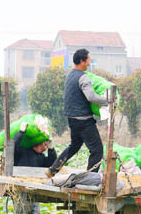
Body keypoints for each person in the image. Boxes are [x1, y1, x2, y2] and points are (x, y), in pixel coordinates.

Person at [45, 48, 108, 178]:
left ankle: (53, 169)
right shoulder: (83, 77)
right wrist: (108, 100)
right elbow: (91, 96)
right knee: (97, 150)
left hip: (72, 119)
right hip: (84, 120)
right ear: (82, 61)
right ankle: (90, 178)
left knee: (74, 146)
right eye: (88, 60)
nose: (89, 63)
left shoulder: (70, 75)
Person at [12, 121, 57, 214]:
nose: (45, 146)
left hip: (35, 193)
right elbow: (13, 146)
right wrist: (21, 132)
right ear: (37, 143)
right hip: (21, 192)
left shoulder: (41, 157)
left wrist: (52, 149)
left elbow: (52, 163)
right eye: (45, 143)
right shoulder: (22, 152)